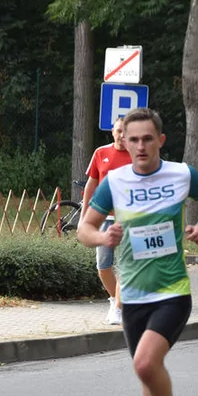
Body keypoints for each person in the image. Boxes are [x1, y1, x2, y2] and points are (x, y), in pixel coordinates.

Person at [77, 108, 198, 396]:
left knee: (144, 363)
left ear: (161, 140)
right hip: (134, 296)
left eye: (147, 138)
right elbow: (84, 229)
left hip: (172, 292)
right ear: (124, 141)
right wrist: (102, 239)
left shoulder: (181, 174)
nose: (139, 145)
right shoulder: (115, 182)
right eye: (133, 139)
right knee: (148, 373)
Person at [81, 117, 132, 324]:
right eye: (118, 131)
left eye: (125, 132)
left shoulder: (137, 155)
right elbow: (91, 185)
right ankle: (115, 300)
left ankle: (118, 309)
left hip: (129, 219)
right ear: (112, 131)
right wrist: (85, 216)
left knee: (124, 266)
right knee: (103, 265)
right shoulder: (101, 153)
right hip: (103, 217)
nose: (121, 135)